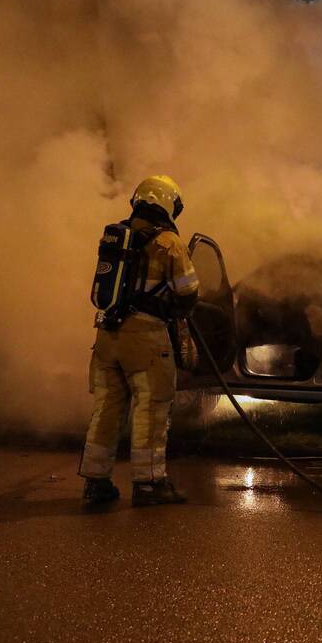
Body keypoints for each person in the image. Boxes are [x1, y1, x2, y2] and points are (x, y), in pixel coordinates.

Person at [79, 175, 200, 507]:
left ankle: (95, 483)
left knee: (106, 410)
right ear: (168, 203)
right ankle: (149, 485)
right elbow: (188, 292)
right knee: (152, 408)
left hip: (107, 337)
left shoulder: (115, 236)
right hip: (145, 340)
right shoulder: (169, 243)